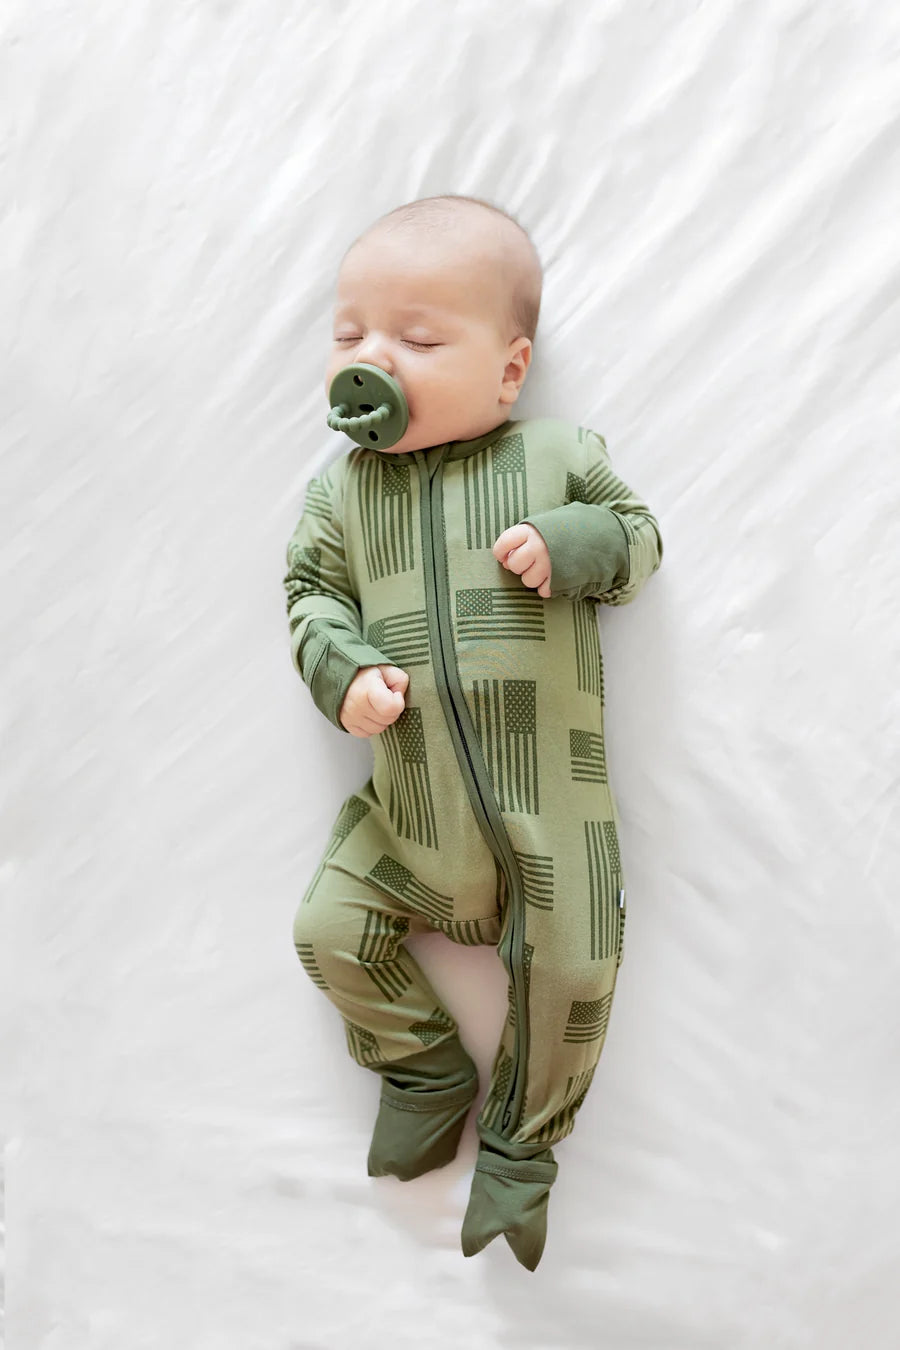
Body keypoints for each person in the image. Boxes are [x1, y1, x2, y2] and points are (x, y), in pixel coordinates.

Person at [282, 194, 663, 1270]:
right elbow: (310, 595)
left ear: (509, 370)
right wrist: (343, 671)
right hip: (409, 817)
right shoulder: (342, 495)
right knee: (325, 930)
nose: (371, 359)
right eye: (350, 334)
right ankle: (423, 1068)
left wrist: (573, 542)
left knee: (575, 970)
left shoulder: (556, 453)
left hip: (551, 816)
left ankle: (520, 1149)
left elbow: (638, 537)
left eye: (416, 338)